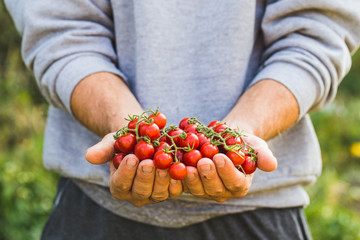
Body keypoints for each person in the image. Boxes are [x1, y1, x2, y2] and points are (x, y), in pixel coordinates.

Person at [5, 0, 360, 239]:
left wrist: (246, 127)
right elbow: (62, 29)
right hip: (93, 206)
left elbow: (316, 32)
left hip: (263, 211)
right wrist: (123, 122)